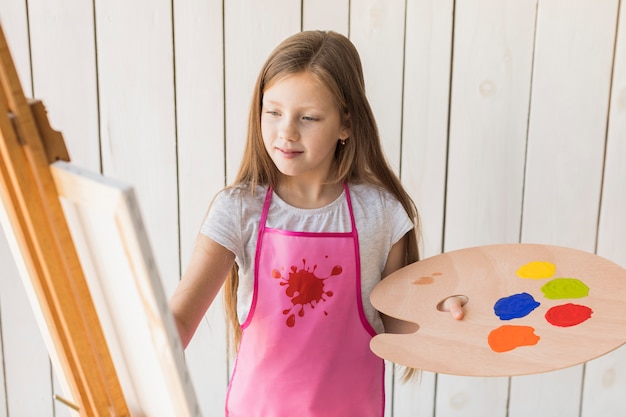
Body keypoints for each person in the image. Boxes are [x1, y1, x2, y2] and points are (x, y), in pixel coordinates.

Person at [169, 30, 464, 417]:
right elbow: (179, 320)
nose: (286, 131)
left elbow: (402, 325)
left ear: (346, 124)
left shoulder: (383, 214)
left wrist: (443, 310)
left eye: (308, 117)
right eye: (273, 112)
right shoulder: (238, 210)